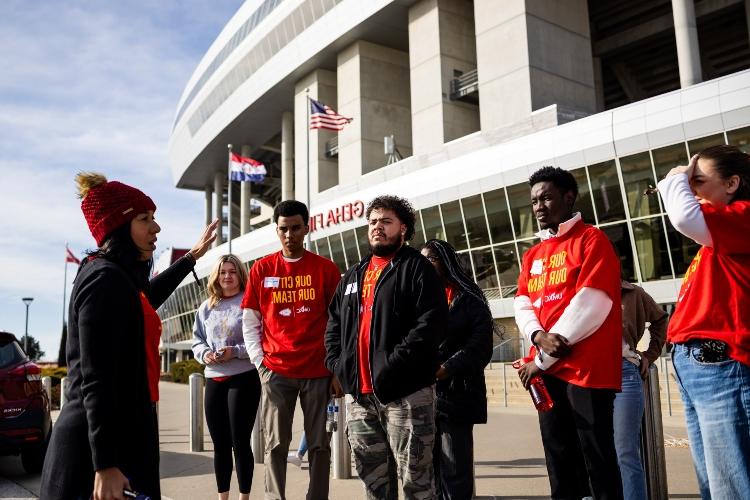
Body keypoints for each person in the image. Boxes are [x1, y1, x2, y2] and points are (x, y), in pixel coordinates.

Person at [41, 173, 217, 500]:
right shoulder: (104, 279)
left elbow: (146, 296)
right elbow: (96, 378)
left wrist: (192, 257)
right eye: (144, 218)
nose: (156, 228)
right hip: (95, 460)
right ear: (119, 227)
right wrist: (104, 464)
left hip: (119, 445)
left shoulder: (117, 277)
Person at [325, 195, 448, 500]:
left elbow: (430, 323)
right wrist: (338, 364)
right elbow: (334, 324)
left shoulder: (417, 268)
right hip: (360, 400)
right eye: (372, 221)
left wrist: (392, 364)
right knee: (373, 482)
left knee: (416, 483)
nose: (377, 227)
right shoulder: (353, 275)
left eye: (386, 221)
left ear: (403, 229)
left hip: (406, 395)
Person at [513, 166, 623, 500]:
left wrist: (542, 355)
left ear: (568, 197)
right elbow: (522, 303)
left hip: (585, 372)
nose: (539, 206)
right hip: (546, 372)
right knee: (558, 457)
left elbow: (592, 302)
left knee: (597, 459)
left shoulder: (592, 239)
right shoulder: (533, 253)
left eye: (546, 197)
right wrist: (536, 336)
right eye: (534, 201)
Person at [656, 145, 750, 499]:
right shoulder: (721, 233)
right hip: (700, 365)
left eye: (698, 180)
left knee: (731, 485)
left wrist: (675, 178)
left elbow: (683, 218)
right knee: (713, 483)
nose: (690, 189)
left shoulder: (744, 215)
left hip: (722, 363)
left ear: (732, 184)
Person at [241, 200, 341, 500]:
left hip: (318, 372)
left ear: (306, 228)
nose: (289, 235)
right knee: (274, 445)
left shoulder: (325, 269)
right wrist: (261, 364)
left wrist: (336, 369)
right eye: (283, 229)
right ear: (276, 230)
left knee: (320, 445)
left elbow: (340, 323)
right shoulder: (262, 269)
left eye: (295, 228)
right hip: (276, 372)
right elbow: (250, 321)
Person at [420, 239, 493, 500]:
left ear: (446, 262)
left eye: (431, 258)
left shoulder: (469, 300)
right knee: (429, 468)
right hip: (425, 395)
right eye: (422, 259)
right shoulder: (421, 298)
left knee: (455, 467)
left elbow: (481, 346)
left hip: (457, 394)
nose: (425, 264)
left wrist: (447, 368)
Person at [192, 254, 261, 500]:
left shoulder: (249, 302)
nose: (227, 276)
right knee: (220, 445)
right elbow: (196, 340)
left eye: (232, 272)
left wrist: (236, 352)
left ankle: (244, 497)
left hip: (243, 378)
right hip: (214, 379)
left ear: (240, 275)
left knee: (240, 443)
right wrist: (205, 354)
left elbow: (259, 340)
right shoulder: (207, 307)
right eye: (222, 272)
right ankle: (223, 497)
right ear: (216, 276)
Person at [615, 280, 667, 500]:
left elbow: (661, 318)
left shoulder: (632, 292)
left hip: (624, 371)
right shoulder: (577, 288)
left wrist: (650, 354)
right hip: (586, 374)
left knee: (625, 452)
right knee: (593, 452)